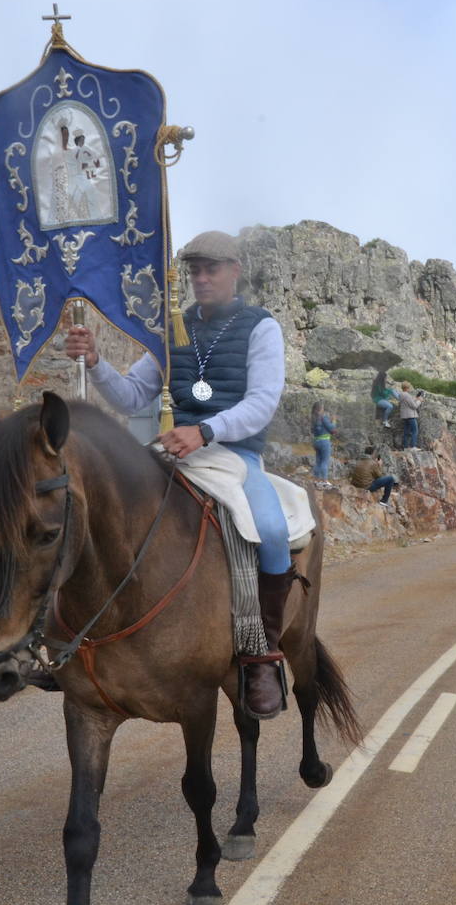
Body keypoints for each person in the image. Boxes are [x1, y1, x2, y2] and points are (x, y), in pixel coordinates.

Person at [63, 229, 292, 720]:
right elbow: (129, 396)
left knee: (272, 531)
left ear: (235, 271)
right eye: (194, 270)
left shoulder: (261, 327)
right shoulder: (175, 327)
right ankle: (72, 635)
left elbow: (262, 404)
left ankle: (262, 654)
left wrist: (205, 431)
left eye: (211, 269)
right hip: (174, 451)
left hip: (234, 453)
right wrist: (97, 362)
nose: (201, 278)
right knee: (96, 509)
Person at [310, 401, 336, 490]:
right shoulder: (323, 418)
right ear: (320, 409)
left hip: (316, 442)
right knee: (325, 461)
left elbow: (313, 431)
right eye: (323, 408)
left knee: (318, 461)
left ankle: (316, 480)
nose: (324, 410)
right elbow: (332, 430)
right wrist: (334, 421)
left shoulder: (313, 419)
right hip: (324, 441)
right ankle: (324, 481)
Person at [397, 381, 424, 449]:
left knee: (406, 432)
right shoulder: (407, 395)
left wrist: (416, 398)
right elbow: (414, 406)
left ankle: (405, 447)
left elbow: (408, 402)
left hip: (405, 416)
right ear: (407, 388)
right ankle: (413, 446)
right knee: (415, 431)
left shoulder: (401, 395)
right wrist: (419, 401)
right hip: (410, 416)